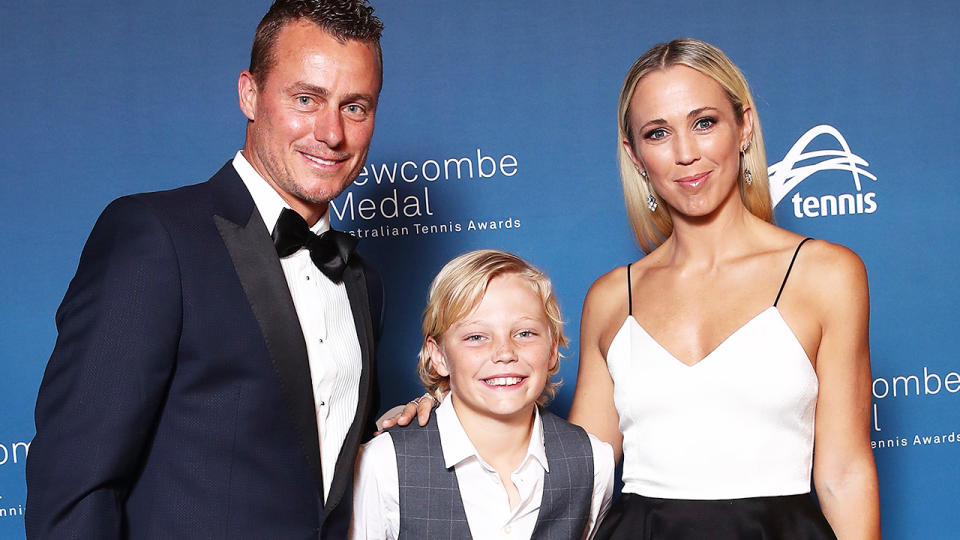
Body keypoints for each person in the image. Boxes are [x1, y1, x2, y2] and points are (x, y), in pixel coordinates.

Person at [25, 1, 385, 538]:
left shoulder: (360, 278)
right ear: (249, 93)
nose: (331, 132)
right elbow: (73, 487)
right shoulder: (154, 236)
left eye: (355, 107)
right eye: (306, 99)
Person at [568, 39, 881, 539]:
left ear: (744, 126)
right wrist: (450, 416)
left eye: (704, 123)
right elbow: (581, 479)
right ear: (634, 153)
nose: (686, 153)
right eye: (658, 133)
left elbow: (844, 471)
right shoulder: (610, 297)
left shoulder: (826, 274)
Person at [351, 250, 614, 539]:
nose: (504, 353)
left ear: (552, 350)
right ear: (438, 355)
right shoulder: (384, 464)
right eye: (476, 337)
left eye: (525, 333)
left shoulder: (593, 461)